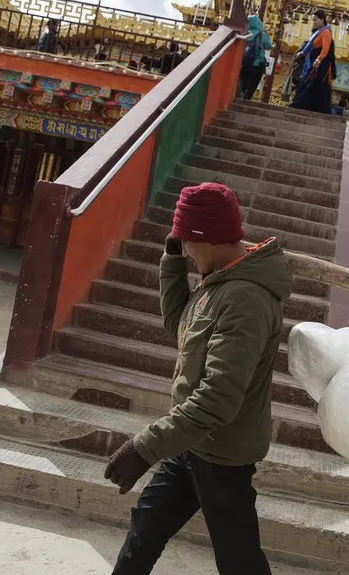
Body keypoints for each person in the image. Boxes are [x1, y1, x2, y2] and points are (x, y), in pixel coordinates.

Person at [104, 182, 294, 575]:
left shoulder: (245, 298)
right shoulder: (220, 281)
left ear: (206, 238)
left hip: (222, 453)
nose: (186, 252)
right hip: (190, 441)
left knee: (239, 561)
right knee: (146, 528)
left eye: (185, 242)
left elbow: (217, 400)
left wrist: (144, 446)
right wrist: (172, 262)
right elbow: (182, 328)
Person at [290, 9, 336, 114]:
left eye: (315, 20)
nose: (313, 22)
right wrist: (302, 53)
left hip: (320, 64)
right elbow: (310, 46)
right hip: (313, 61)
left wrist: (318, 60)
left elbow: (325, 49)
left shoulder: (326, 32)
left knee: (311, 84)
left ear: (322, 19)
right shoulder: (319, 31)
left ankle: (298, 104)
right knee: (312, 85)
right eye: (313, 20)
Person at [239, 15, 272, 101]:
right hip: (257, 64)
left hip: (244, 62)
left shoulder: (245, 33)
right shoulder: (262, 34)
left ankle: (242, 98)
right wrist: (267, 35)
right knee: (251, 87)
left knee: (243, 85)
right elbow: (268, 46)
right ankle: (245, 100)